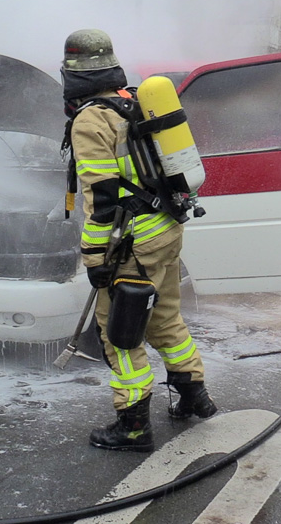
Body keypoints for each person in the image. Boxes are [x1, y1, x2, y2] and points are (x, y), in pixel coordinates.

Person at [61, 28, 216, 453]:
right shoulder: (132, 101)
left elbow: (102, 199)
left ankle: (132, 426)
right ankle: (194, 395)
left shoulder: (91, 119)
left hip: (132, 244)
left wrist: (95, 257)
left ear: (72, 74)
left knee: (120, 334)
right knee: (164, 317)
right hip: (166, 228)